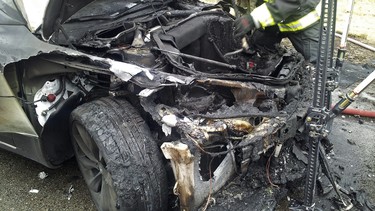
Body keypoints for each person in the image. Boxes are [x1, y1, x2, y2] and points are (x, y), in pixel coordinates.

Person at [233, 0, 321, 64]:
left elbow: (290, 2)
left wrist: (254, 19)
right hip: (271, 21)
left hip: (303, 22)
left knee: (319, 67)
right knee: (255, 56)